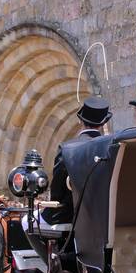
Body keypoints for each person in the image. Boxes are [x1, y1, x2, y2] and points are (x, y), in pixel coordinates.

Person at [42, 96, 111, 226]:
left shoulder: (67, 149)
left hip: (69, 215)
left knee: (25, 222)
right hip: (104, 214)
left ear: (81, 121)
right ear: (103, 123)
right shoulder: (111, 147)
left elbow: (57, 191)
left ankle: (51, 246)